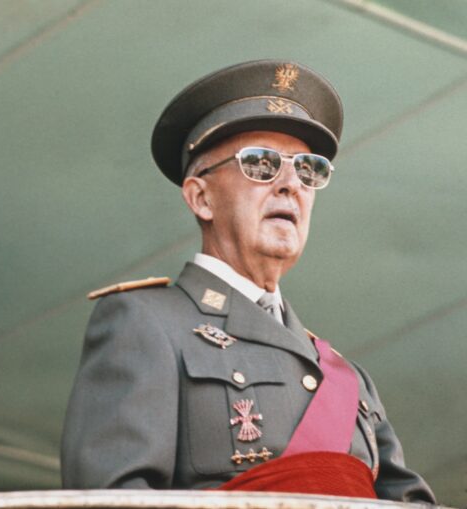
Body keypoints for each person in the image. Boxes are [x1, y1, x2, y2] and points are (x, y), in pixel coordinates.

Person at [60, 60, 435, 502]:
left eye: (308, 170)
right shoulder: (145, 322)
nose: (290, 184)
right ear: (201, 197)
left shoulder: (349, 379)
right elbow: (112, 498)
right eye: (262, 164)